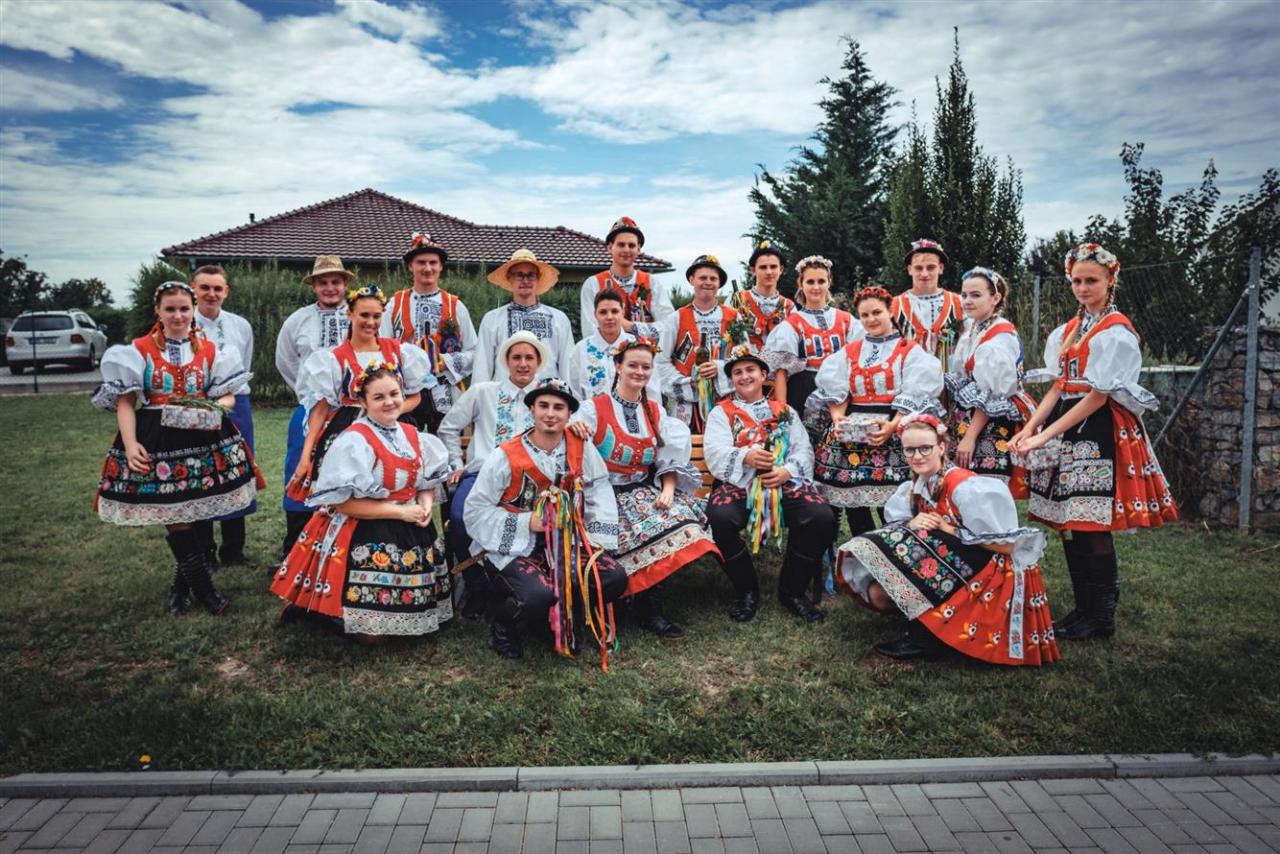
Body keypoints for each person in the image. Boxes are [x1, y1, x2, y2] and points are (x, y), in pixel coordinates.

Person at [1010, 243, 1177, 641]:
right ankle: (1083, 609)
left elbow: (1098, 396)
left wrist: (1045, 434)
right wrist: (1029, 428)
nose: (1083, 288)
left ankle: (1101, 617)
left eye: (1091, 281)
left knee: (1090, 522)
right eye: (1077, 281)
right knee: (1071, 522)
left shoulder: (1116, 332)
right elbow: (1059, 386)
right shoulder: (1073, 328)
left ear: (1109, 281)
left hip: (1097, 428)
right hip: (1068, 422)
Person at [93, 281, 262, 615]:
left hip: (201, 438)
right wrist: (130, 443)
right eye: (170, 309)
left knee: (194, 512)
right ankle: (207, 592)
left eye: (184, 308)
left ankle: (180, 590)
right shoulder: (138, 349)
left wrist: (214, 407)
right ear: (158, 311)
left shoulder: (210, 350)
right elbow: (126, 402)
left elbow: (229, 395)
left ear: (193, 309)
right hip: (159, 441)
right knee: (175, 515)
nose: (178, 315)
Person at [835, 414, 1060, 665]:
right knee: (878, 593)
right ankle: (932, 621)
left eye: (925, 448)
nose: (917, 456)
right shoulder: (917, 485)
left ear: (941, 447)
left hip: (994, 574)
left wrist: (948, 529)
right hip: (962, 564)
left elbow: (1006, 546)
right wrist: (911, 523)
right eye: (910, 450)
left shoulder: (965, 486)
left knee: (918, 540)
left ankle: (925, 640)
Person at [271, 362, 453, 640]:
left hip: (410, 530)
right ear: (363, 402)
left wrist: (425, 506)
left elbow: (425, 484)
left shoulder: (414, 436)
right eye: (378, 397)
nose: (389, 402)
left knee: (411, 625)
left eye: (394, 394)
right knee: (372, 636)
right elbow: (343, 504)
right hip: (364, 528)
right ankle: (315, 612)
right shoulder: (354, 440)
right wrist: (400, 513)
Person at [463, 378, 626, 664]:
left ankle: (561, 618)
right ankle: (504, 624)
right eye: (543, 406)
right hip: (517, 546)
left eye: (558, 407)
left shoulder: (581, 447)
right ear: (532, 410)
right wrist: (528, 522)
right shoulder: (506, 455)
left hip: (568, 541)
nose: (550, 414)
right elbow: (475, 510)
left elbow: (598, 489)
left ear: (569, 414)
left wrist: (595, 539)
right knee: (537, 595)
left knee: (612, 577)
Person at [570, 339, 720, 638]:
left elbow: (667, 458)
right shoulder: (592, 409)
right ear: (617, 366)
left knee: (683, 524)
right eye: (632, 365)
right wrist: (573, 427)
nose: (639, 372)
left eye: (646, 367)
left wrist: (668, 488)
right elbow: (571, 443)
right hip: (602, 494)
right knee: (611, 540)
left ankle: (649, 605)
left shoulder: (654, 411)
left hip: (641, 487)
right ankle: (616, 599)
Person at [703, 345, 835, 623]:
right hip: (741, 484)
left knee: (821, 516)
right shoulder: (721, 413)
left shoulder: (784, 410)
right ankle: (747, 590)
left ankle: (792, 590)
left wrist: (786, 471)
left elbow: (803, 449)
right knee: (718, 518)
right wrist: (745, 456)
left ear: (764, 375)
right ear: (732, 380)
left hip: (783, 482)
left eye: (750, 370)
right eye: (737, 372)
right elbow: (714, 451)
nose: (744, 376)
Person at [809, 286, 943, 538]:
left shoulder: (909, 350)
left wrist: (893, 426)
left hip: (893, 427)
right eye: (865, 315)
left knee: (892, 502)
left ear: (890, 311)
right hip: (852, 433)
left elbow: (916, 392)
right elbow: (836, 389)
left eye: (877, 312)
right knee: (854, 505)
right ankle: (864, 547)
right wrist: (838, 420)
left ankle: (894, 545)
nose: (871, 319)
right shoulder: (850, 351)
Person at [288, 285, 432, 504]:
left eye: (376, 316)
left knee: (399, 487)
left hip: (395, 426)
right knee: (349, 495)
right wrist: (305, 455)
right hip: (350, 428)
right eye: (364, 315)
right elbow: (320, 409)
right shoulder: (334, 358)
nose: (371, 322)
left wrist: (387, 411)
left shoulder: (399, 352)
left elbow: (415, 397)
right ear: (350, 314)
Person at [438, 331, 547, 612]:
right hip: (481, 475)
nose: (523, 364)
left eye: (529, 358)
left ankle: (523, 582)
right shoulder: (483, 392)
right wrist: (457, 464)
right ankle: (476, 585)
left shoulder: (546, 398)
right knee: (460, 518)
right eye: (516, 357)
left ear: (538, 363)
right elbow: (448, 427)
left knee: (545, 521)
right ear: (506, 361)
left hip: (531, 481)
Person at [275, 255, 354, 561]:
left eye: (335, 282)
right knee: (300, 468)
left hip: (351, 409)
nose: (330, 288)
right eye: (323, 282)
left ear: (345, 284)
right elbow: (286, 360)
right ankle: (294, 551)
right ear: (314, 286)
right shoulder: (298, 320)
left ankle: (340, 549)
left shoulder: (359, 314)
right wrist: (309, 390)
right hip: (310, 409)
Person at [945, 267, 1037, 495]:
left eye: (976, 295)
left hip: (991, 420)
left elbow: (992, 393)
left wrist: (970, 437)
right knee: (962, 488)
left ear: (995, 298)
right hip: (968, 417)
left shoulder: (999, 336)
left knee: (987, 491)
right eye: (964, 295)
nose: (968, 301)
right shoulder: (974, 329)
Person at [190, 264, 256, 567]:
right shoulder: (183, 322)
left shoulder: (240, 325)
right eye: (205, 287)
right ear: (194, 289)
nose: (211, 294)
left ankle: (233, 548)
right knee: (201, 472)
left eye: (217, 288)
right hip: (197, 403)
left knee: (236, 469)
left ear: (226, 291)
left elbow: (244, 365)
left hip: (237, 403)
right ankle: (204, 549)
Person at [383, 232, 476, 432]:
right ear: (410, 266)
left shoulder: (456, 306)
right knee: (404, 443)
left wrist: (445, 361)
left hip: (445, 391)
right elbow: (382, 347)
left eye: (433, 263)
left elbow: (474, 351)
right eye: (421, 262)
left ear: (441, 266)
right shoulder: (394, 304)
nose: (427, 268)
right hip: (404, 391)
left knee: (447, 444)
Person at [763, 255, 860, 428]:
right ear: (801, 284)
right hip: (805, 390)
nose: (816, 287)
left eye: (821, 281)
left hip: (843, 391)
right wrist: (782, 411)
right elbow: (781, 372)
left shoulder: (846, 320)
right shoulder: (791, 324)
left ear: (829, 282)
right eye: (810, 282)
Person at [657, 254, 737, 431]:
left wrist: (720, 368)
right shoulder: (676, 318)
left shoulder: (734, 317)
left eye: (713, 278)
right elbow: (661, 361)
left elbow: (744, 356)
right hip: (686, 405)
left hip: (725, 400)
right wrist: (687, 383)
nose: (708, 282)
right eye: (702, 278)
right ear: (691, 280)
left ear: (720, 283)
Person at [472, 249, 574, 385]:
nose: (525, 280)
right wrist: (479, 396)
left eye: (531, 275)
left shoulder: (559, 319)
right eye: (519, 275)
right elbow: (482, 366)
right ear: (509, 278)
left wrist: (567, 395)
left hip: (546, 394)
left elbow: (568, 365)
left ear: (538, 279)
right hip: (503, 395)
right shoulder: (492, 319)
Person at [579, 216, 674, 340]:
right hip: (608, 352)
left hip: (648, 351)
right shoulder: (593, 285)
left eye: (631, 245)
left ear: (638, 249)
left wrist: (631, 326)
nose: (626, 249)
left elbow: (669, 326)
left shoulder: (652, 283)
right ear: (610, 247)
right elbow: (590, 332)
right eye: (621, 244)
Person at [567, 289, 660, 402]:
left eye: (615, 311)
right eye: (603, 312)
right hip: (592, 412)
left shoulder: (639, 347)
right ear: (595, 314)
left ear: (623, 312)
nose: (609, 317)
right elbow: (574, 394)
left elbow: (652, 393)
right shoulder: (580, 350)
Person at [891, 239, 965, 361]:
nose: (924, 274)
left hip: (950, 372)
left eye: (931, 267)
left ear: (940, 268)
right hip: (908, 371)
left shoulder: (960, 304)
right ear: (910, 270)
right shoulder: (894, 306)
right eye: (918, 268)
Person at [730, 240, 795, 350]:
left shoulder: (789, 307)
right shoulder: (737, 300)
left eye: (773, 267)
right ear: (753, 270)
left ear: (781, 270)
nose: (769, 272)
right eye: (763, 267)